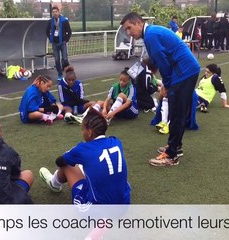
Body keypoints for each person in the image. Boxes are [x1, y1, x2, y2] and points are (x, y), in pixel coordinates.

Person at [121, 12, 200, 167]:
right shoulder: (151, 33)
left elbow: (163, 63)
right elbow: (160, 60)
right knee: (178, 111)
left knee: (176, 112)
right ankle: (176, 147)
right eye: (126, 31)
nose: (129, 33)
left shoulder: (150, 36)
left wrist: (167, 86)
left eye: (129, 28)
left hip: (183, 72)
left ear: (138, 23)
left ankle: (171, 155)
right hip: (185, 70)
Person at [39, 108, 131, 204]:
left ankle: (54, 183)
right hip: (124, 206)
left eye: (83, 129)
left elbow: (60, 161)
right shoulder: (116, 141)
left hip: (97, 212)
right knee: (93, 167)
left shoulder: (83, 149)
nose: (82, 132)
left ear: (89, 132)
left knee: (67, 164)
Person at [45, 6, 72, 81]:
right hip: (55, 43)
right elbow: (47, 31)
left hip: (62, 42)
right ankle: (60, 74)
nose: (54, 13)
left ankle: (68, 71)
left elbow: (69, 32)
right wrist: (50, 37)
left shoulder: (64, 21)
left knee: (65, 59)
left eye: (56, 11)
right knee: (57, 60)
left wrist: (65, 40)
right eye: (53, 12)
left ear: (58, 12)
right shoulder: (50, 21)